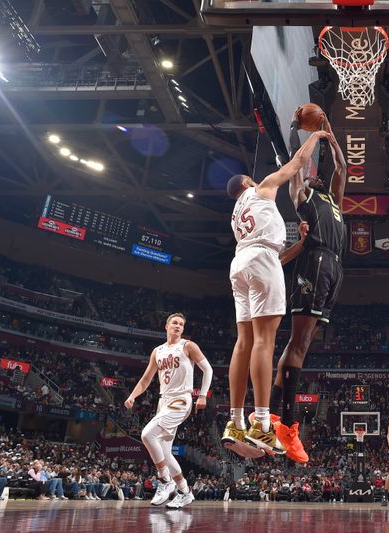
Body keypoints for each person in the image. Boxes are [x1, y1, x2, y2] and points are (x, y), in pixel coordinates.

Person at [221, 130, 331, 458]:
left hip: (240, 263)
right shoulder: (262, 188)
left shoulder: (236, 214)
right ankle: (263, 424)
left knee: (244, 342)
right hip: (261, 260)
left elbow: (277, 255)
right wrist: (317, 136)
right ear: (246, 183)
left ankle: (235, 420)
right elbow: (297, 164)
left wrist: (299, 243)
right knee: (264, 343)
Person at [268, 111, 348, 464]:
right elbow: (298, 166)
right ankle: (285, 421)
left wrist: (328, 129)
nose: (317, 177)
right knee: (299, 342)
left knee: (301, 343)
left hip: (334, 266)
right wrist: (301, 133)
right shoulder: (303, 196)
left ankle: (271, 412)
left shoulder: (333, 199)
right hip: (313, 260)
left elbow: (342, 169)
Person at [125, 312, 213, 509]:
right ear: (166, 326)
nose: (178, 326)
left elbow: (208, 369)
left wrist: (202, 395)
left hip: (181, 399)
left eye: (181, 324)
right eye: (174, 323)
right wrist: (132, 395)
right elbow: (146, 379)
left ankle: (165, 480)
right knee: (165, 451)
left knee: (147, 434)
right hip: (163, 402)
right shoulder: (157, 351)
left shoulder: (188, 346)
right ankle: (184, 491)